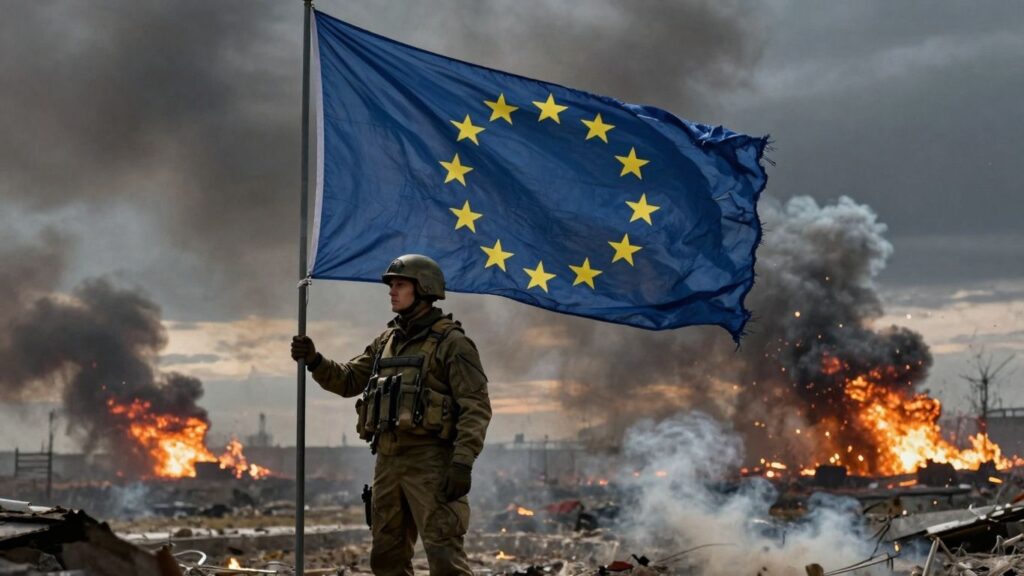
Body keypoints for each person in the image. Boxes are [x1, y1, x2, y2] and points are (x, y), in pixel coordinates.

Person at [291, 254, 491, 576]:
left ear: (423, 289)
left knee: (444, 558)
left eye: (400, 284)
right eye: (391, 285)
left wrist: (462, 462)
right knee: (386, 558)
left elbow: (476, 407)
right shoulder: (386, 341)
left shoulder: (452, 343)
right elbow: (348, 380)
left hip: (431, 464)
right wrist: (315, 360)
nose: (391, 291)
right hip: (388, 461)